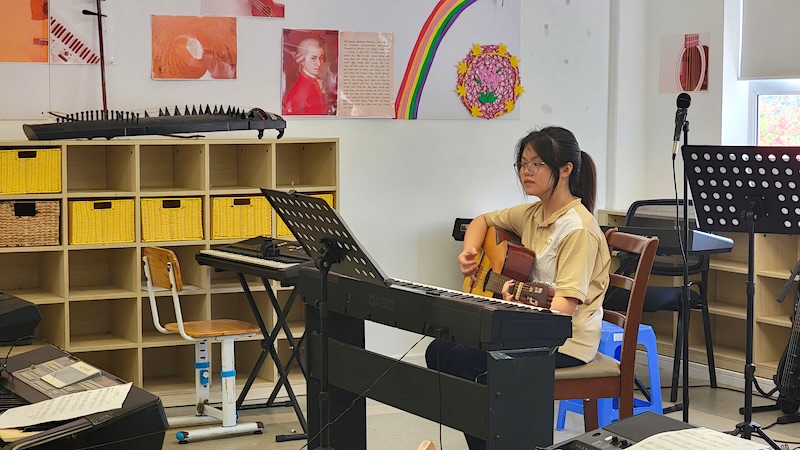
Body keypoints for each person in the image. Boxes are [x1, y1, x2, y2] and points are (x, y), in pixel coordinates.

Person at [425, 126, 611, 450]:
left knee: (466, 362)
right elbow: (482, 220)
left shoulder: (578, 229)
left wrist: (519, 303)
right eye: (522, 164)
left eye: (536, 164)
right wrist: (469, 252)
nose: (526, 172)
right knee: (439, 352)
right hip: (527, 330)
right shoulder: (533, 214)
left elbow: (563, 309)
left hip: (564, 344)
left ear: (565, 169)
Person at [282, 37, 335, 116]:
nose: (319, 63)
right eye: (313, 58)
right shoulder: (302, 86)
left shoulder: (315, 82)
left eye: (321, 58)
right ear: (302, 60)